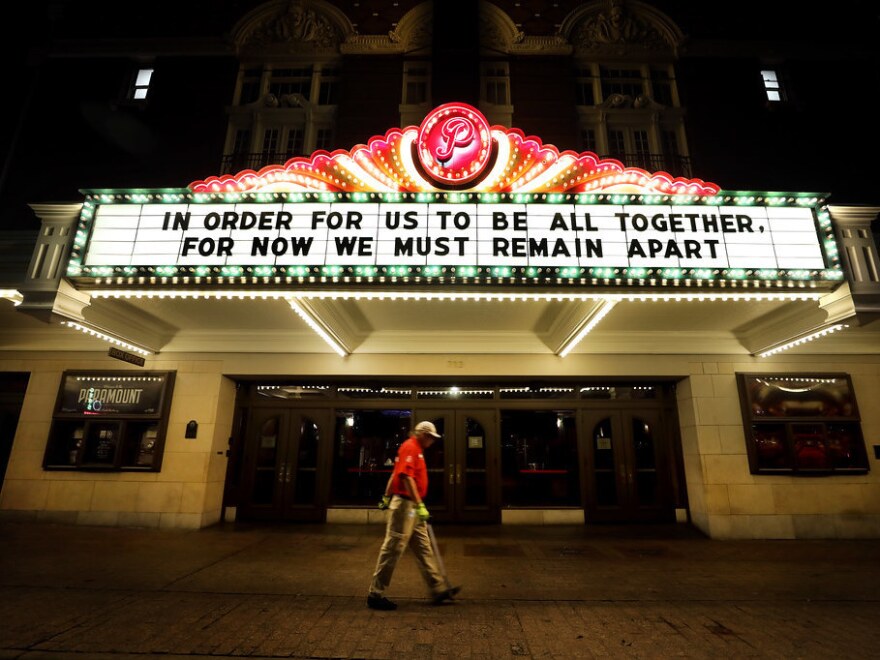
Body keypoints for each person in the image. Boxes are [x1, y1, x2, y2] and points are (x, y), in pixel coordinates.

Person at [367, 420, 461, 610]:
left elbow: (395, 473)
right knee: (393, 548)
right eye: (431, 437)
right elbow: (405, 477)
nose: (432, 441)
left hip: (411, 506)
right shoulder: (411, 447)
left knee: (423, 547)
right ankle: (375, 594)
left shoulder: (415, 449)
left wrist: (386, 496)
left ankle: (437, 588)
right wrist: (418, 504)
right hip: (406, 506)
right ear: (423, 434)